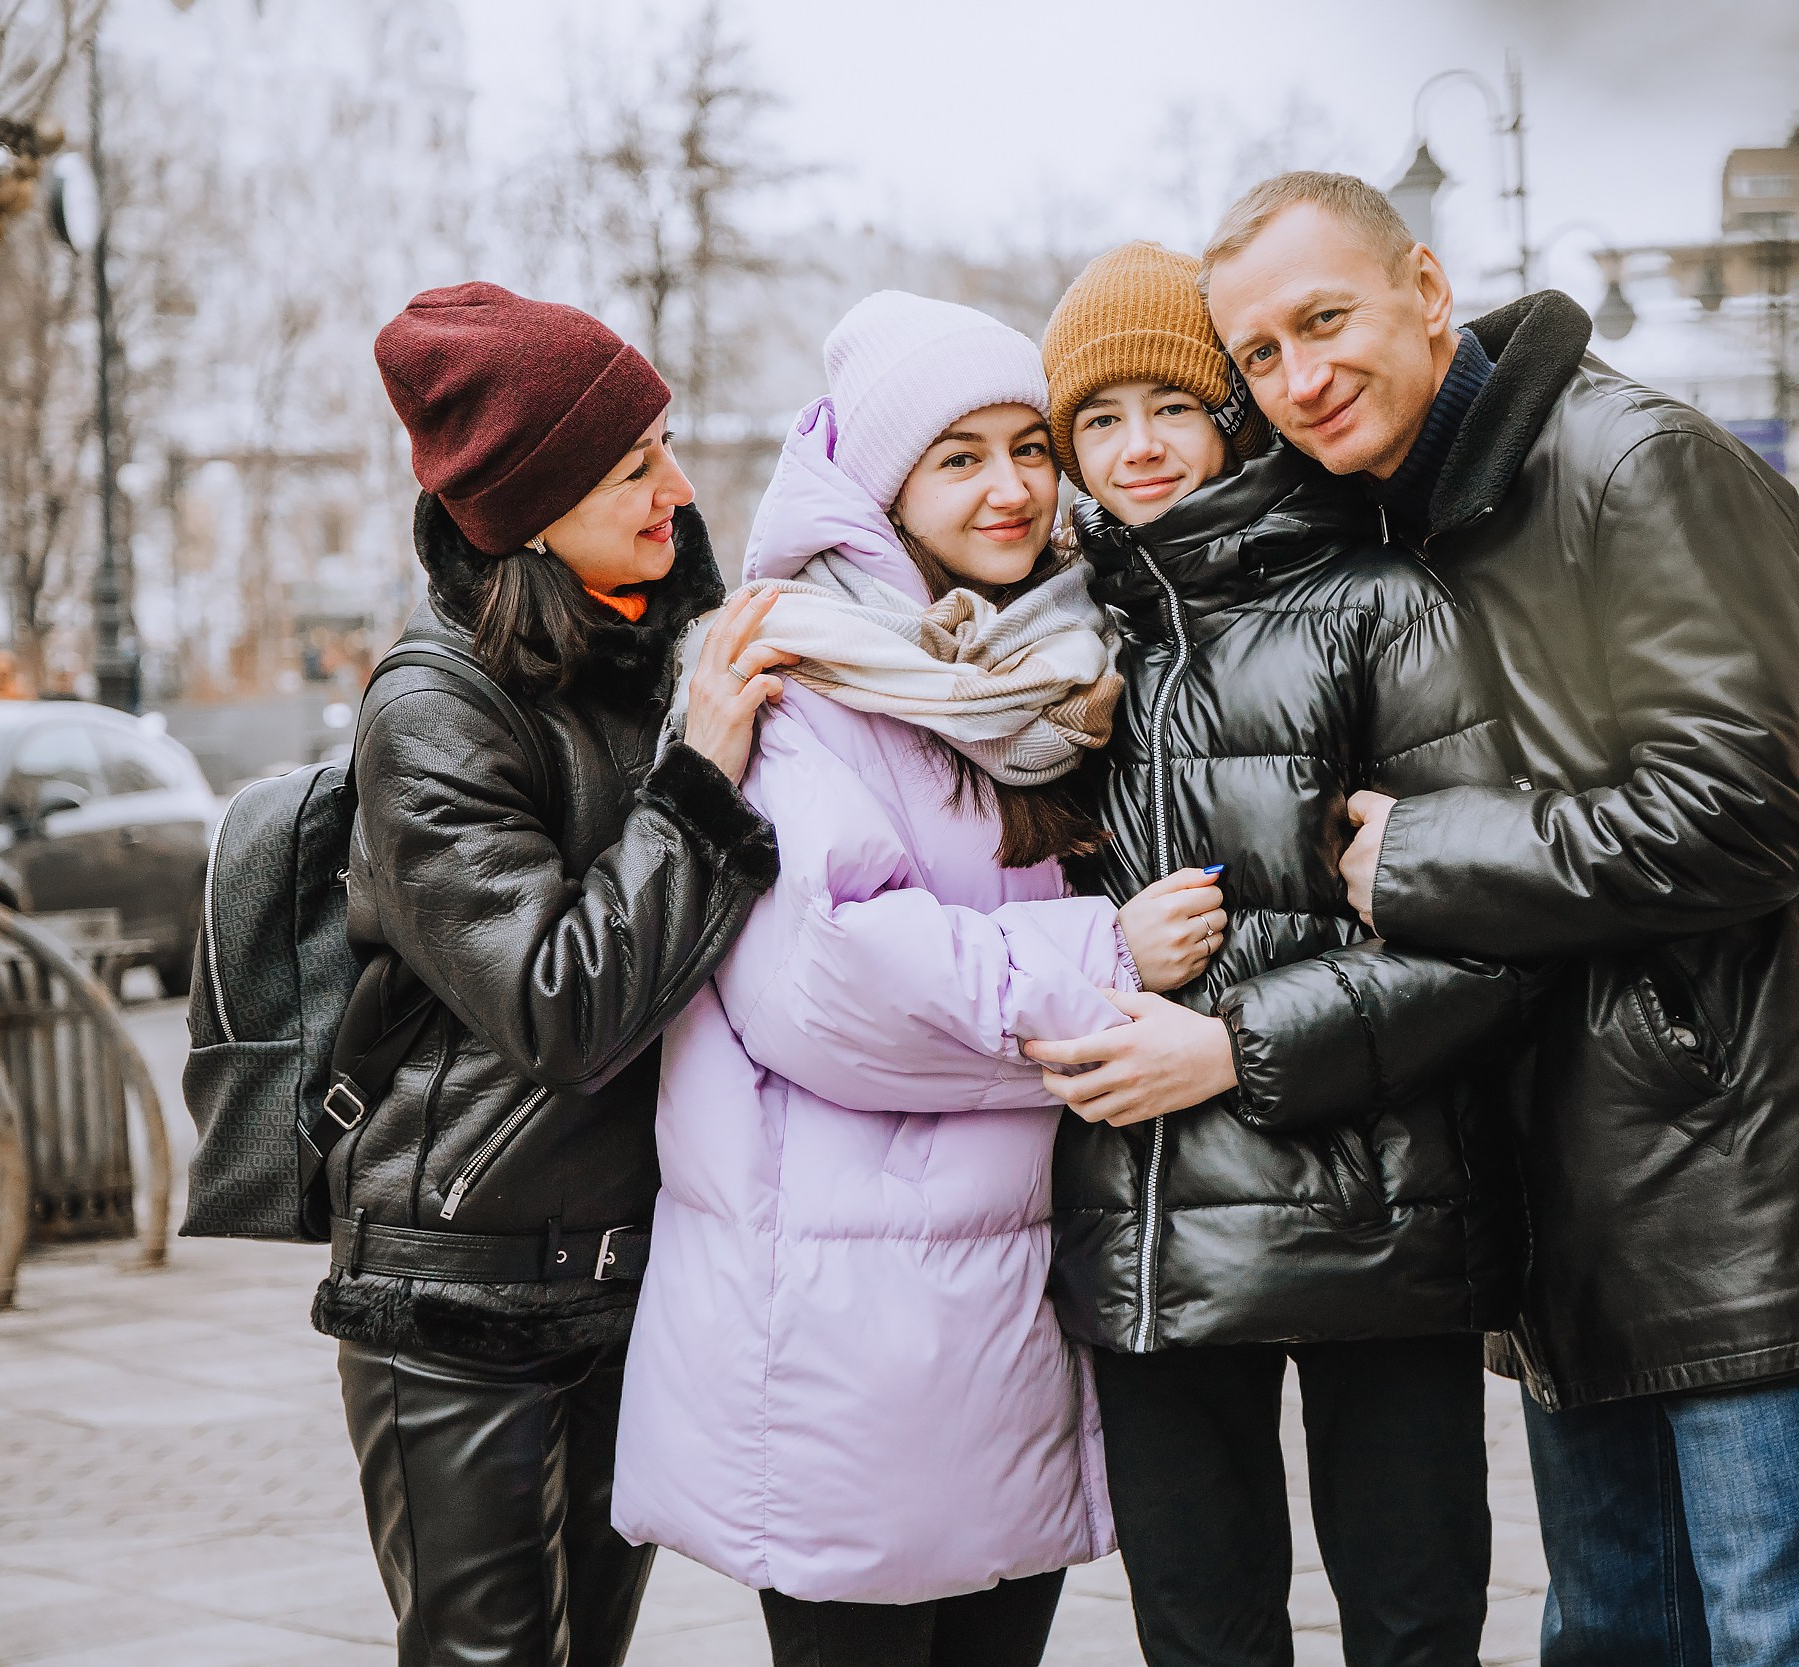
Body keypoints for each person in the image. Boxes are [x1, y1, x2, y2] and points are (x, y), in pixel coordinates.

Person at [1204, 172, 1799, 1664]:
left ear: (1426, 287)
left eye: (1323, 320)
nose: (1298, 376)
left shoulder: (1637, 465)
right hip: (1553, 1193)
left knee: (1785, 1634)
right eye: (1259, 353)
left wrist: (1422, 854)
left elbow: (1745, 810)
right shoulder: (1395, 519)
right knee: (1612, 1635)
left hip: (1726, 1184)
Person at [615, 292, 1179, 1667]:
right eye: (959, 457)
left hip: (1006, 1302)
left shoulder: (1048, 669)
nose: (1011, 486)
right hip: (843, 1326)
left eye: (1029, 447)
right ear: (883, 487)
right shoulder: (799, 672)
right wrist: (1110, 958)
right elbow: (835, 980)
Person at [1020, 241, 1527, 1667]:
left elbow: (1492, 937)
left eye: (1171, 407)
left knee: (1414, 1626)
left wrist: (1233, 1047)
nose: (1136, 447)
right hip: (1148, 1233)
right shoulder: (1061, 647)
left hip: (1377, 1212)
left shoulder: (1383, 604)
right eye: (1099, 419)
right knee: (1201, 1635)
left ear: (1234, 415)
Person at [330, 281, 783, 1667]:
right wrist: (701, 782)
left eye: (665, 447)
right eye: (634, 465)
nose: (677, 489)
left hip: (626, 1273)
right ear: (530, 510)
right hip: (461, 1290)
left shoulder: (647, 657)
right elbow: (560, 1004)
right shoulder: (433, 708)